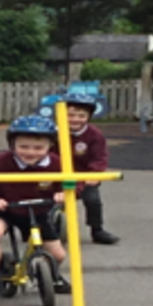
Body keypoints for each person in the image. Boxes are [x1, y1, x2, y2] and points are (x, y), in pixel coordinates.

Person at [0, 114, 69, 299]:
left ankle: (51, 275)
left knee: (59, 254)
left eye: (39, 148)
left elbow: (74, 181)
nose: (31, 152)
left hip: (37, 210)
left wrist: (66, 192)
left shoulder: (56, 163)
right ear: (12, 145)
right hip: (4, 209)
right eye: (23, 147)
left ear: (50, 146)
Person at [57, 92, 119, 244]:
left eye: (81, 116)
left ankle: (97, 230)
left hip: (84, 176)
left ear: (88, 117)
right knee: (47, 200)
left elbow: (100, 157)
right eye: (70, 115)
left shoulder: (94, 135)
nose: (75, 119)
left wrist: (94, 173)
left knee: (92, 200)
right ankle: (42, 229)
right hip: (56, 175)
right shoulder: (53, 133)